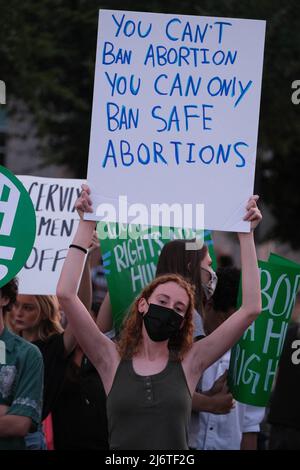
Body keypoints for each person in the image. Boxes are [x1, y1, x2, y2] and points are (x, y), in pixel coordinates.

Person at [56, 185, 262, 450]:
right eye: (162, 301)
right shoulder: (110, 358)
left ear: (185, 320)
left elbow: (251, 309)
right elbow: (65, 294)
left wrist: (246, 236)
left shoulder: (191, 361)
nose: (169, 310)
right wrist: (86, 225)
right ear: (143, 305)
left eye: (178, 308)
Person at [192, 267, 265, 450]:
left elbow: (250, 426)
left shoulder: (253, 357)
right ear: (208, 306)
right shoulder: (188, 347)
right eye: (226, 321)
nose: (231, 332)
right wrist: (208, 402)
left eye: (240, 324)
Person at [0, 279, 44, 450]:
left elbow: (20, 423)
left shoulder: (28, 354)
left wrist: (15, 415)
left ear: (4, 298)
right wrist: (7, 409)